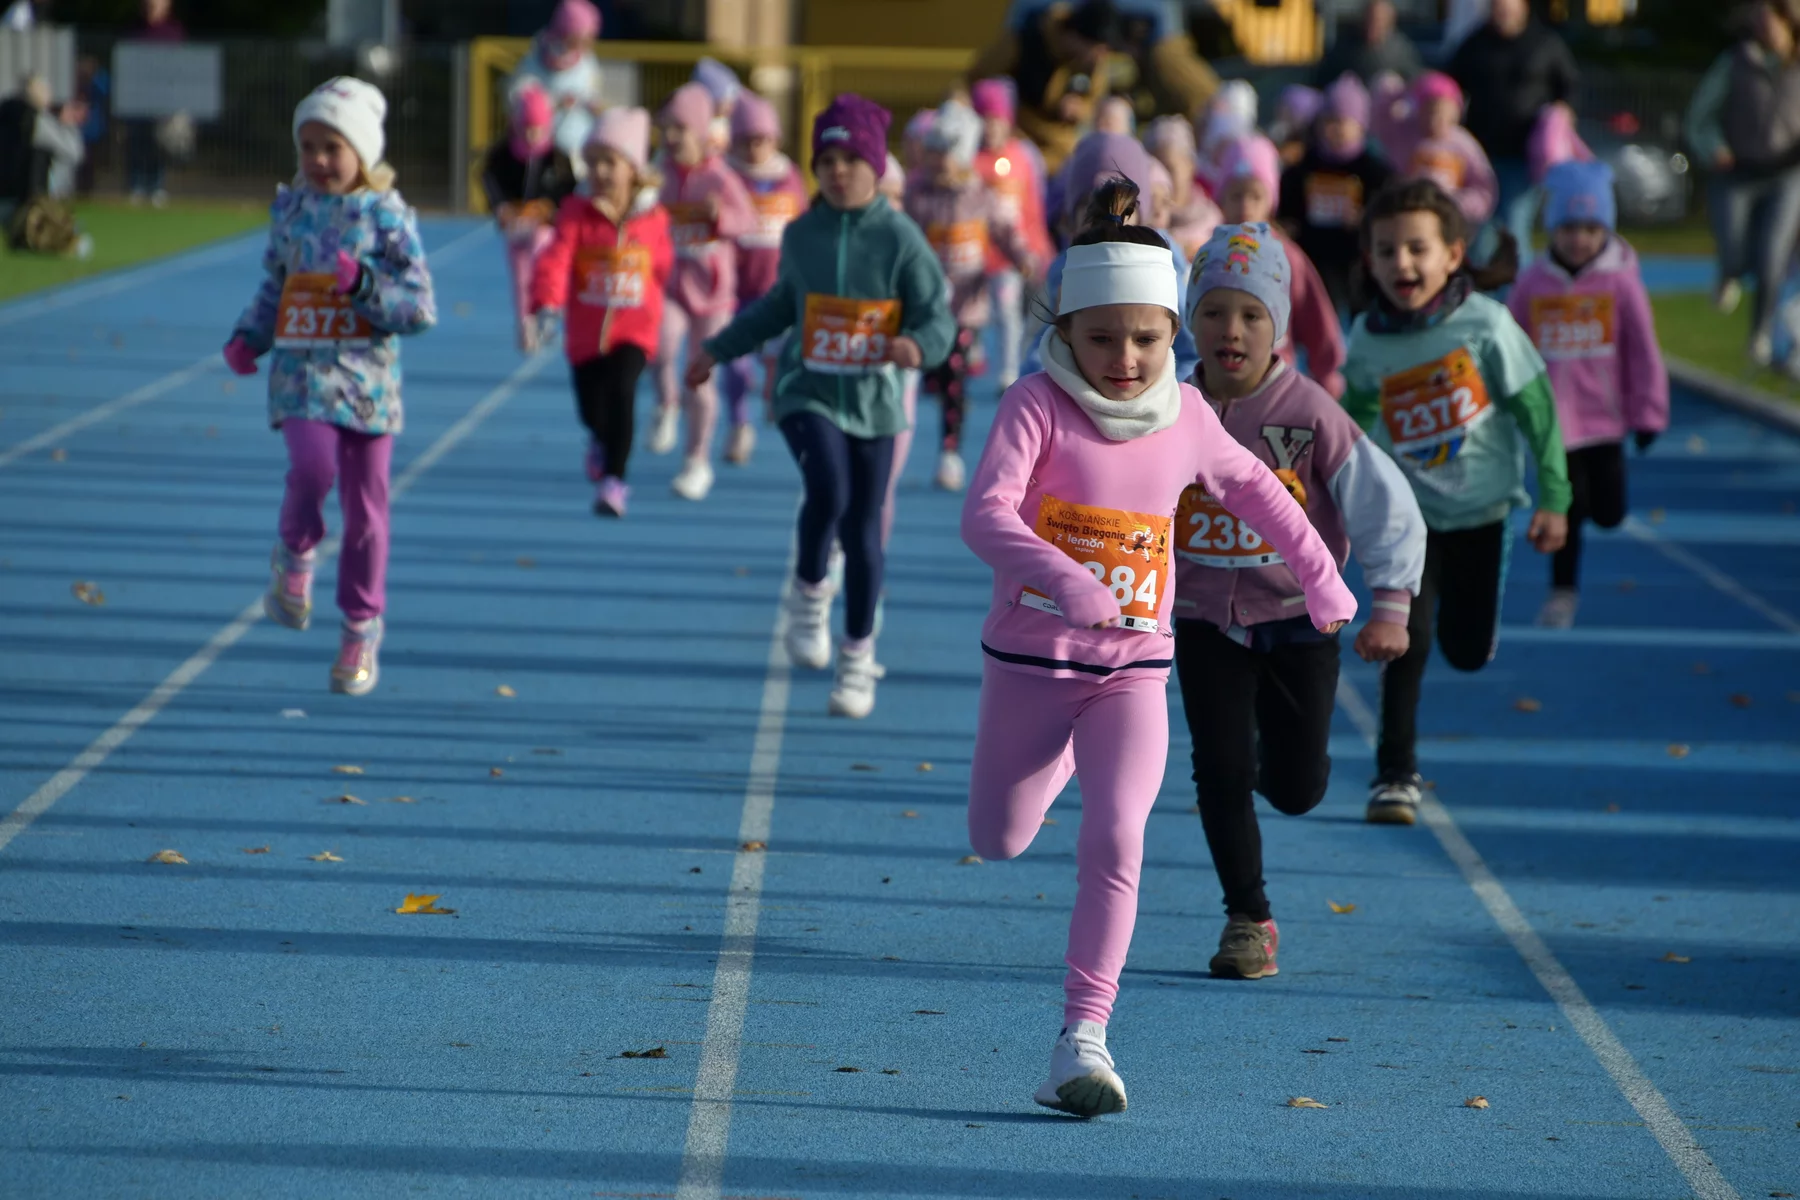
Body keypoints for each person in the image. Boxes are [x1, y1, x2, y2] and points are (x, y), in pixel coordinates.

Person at [960, 181, 1355, 1116]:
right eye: (1102, 338)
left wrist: (1321, 577)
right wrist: (1063, 576)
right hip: (1032, 665)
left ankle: (1082, 1038)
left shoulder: (1187, 415)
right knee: (998, 838)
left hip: (1132, 671)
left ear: (1171, 332)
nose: (1126, 359)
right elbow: (984, 515)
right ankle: (1055, 762)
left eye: (1146, 338)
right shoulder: (1035, 404)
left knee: (1118, 836)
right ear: (1067, 329)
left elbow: (1258, 490)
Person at [1174, 221, 1424, 981]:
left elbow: (1383, 503)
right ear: (1189, 321)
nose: (1232, 330)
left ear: (1278, 325)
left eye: (1252, 314)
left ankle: (1276, 767)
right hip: (1202, 620)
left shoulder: (1310, 412)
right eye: (1214, 311)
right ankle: (1247, 919)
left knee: (1295, 787)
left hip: (1297, 621)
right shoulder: (1169, 407)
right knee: (1219, 769)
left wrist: (1391, 603)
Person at [687, 95, 955, 718]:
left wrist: (918, 345)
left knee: (863, 528)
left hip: (876, 401)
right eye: (825, 161)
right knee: (828, 489)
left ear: (875, 165)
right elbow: (780, 306)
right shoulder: (802, 233)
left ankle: (857, 658)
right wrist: (718, 349)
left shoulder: (900, 239)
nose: (836, 172)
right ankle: (809, 594)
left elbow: (936, 318)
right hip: (807, 390)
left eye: (849, 160)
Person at [1341, 178, 1569, 824]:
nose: (1402, 263)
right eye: (1387, 250)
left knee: (1464, 651)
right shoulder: (1369, 338)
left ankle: (1465, 632)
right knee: (1404, 641)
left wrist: (1555, 496)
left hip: (1481, 513)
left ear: (1452, 255)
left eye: (1417, 248)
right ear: (1370, 260)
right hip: (1406, 520)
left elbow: (1537, 410)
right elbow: (1352, 423)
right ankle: (1394, 774)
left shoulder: (1487, 325)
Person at [222, 78, 436, 696]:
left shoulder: (387, 218)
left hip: (369, 385)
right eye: (308, 146)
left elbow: (419, 308)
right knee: (313, 471)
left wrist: (364, 285)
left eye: (332, 147)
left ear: (362, 153)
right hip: (303, 377)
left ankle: (360, 626)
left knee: (367, 514)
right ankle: (294, 553)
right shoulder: (292, 212)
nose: (317, 159)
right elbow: (276, 284)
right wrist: (250, 336)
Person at [1507, 161, 1667, 629]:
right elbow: (1509, 343)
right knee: (1568, 510)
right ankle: (1562, 593)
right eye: (1569, 228)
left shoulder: (1620, 283)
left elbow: (1643, 351)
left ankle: (1597, 514)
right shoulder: (1532, 282)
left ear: (1607, 231)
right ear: (1553, 229)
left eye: (1591, 229)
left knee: (1610, 513)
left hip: (1606, 420)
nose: (1579, 239)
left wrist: (1648, 414)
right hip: (1554, 424)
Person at [530, 108, 671, 519]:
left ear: (634, 168)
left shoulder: (654, 218)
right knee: (592, 410)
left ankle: (615, 481)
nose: (600, 172)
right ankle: (598, 437)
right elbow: (556, 259)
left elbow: (663, 266)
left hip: (635, 330)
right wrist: (547, 302)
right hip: (586, 335)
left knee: (623, 393)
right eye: (593, 163)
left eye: (610, 162)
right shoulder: (576, 212)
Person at [906, 100, 1040, 493]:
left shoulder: (980, 194)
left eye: (943, 153)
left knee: (954, 378)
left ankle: (949, 452)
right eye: (931, 152)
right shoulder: (918, 195)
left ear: (962, 156)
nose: (935, 161)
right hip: (926, 305)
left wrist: (1022, 257)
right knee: (926, 376)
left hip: (966, 306)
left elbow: (1004, 230)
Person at [649, 82, 755, 501]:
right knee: (659, 348)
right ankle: (666, 406)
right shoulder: (657, 175)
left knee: (699, 377)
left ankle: (697, 461)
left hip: (713, 296)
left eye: (680, 129)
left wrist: (721, 216)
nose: (671, 137)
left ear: (699, 132)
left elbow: (746, 221)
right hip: (670, 286)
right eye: (665, 129)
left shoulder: (720, 177)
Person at [968, 0, 1218, 175]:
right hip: (1022, 146)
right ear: (1074, 37)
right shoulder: (1026, 39)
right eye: (1096, 49)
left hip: (1066, 154)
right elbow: (977, 81)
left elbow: (1095, 99)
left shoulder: (1092, 62)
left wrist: (1084, 109)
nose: (1101, 57)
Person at [1683, 0, 1800, 365]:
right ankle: (1728, 272)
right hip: (1737, 172)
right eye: (1760, 22)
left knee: (1772, 257)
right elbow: (1699, 116)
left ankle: (1760, 334)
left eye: (1773, 22)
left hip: (1786, 175)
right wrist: (1713, 147)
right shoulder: (1735, 62)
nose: (1766, 30)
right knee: (1733, 250)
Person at [1028, 132, 1199, 380]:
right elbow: (1040, 348)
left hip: (1149, 392)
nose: (1108, 219)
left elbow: (1190, 350)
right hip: (1079, 393)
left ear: (1144, 214)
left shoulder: (1160, 262)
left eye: (1124, 208)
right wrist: (1042, 390)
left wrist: (1171, 394)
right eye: (1092, 206)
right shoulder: (1067, 268)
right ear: (1071, 218)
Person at [1216, 135, 1345, 397]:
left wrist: (1327, 374)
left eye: (1256, 196)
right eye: (1236, 195)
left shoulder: (1286, 256)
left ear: (1271, 200)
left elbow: (1315, 315)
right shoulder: (1210, 256)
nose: (1245, 206)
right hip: (1220, 384)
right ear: (1222, 198)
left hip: (1276, 384)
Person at [1449, 0, 1577, 254]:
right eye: (1497, 7)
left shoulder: (1544, 43)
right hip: (1481, 154)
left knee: (1514, 225)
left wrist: (1563, 112)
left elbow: (1570, 86)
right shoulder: (1475, 44)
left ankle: (1519, 280)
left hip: (1524, 154)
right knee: (1480, 234)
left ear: (1523, 7)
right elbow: (1450, 86)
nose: (1502, 13)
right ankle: (1483, 279)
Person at [721, 92, 808, 467]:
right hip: (735, 290)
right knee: (735, 365)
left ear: (775, 139)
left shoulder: (789, 177)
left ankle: (775, 387)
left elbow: (804, 222)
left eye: (762, 140)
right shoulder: (727, 176)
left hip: (778, 291)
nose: (755, 149)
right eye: (746, 140)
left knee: (781, 355)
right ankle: (740, 424)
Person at [1280, 73, 1392, 319]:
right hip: (1315, 252)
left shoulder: (1373, 170)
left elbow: (1389, 207)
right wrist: (1291, 223)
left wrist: (1365, 217)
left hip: (1358, 258)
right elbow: (1288, 204)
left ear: (1360, 125)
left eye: (1343, 122)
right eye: (1329, 121)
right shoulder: (1305, 166)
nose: (1336, 129)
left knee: (1360, 313)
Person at [482, 81, 578, 352]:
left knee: (541, 255)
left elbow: (568, 189)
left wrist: (551, 208)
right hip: (516, 227)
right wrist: (501, 207)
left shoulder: (556, 157)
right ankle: (525, 323)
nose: (532, 135)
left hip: (544, 228)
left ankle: (545, 310)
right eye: (527, 129)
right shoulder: (504, 154)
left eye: (537, 129)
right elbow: (491, 181)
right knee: (520, 276)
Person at [973, 77, 1054, 391]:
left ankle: (1008, 371)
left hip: (1009, 253)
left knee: (1007, 311)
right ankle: (970, 354)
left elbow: (1031, 205)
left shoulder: (1020, 157)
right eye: (984, 120)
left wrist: (1037, 244)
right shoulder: (970, 160)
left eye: (996, 120)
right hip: (974, 251)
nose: (990, 128)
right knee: (974, 311)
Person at [1393, 72, 1498, 226]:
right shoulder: (1408, 136)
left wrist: (1460, 205)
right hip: (1410, 214)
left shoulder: (1463, 144)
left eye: (1442, 113)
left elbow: (1483, 186)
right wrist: (1404, 91)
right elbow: (1381, 115)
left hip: (1449, 218)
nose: (1435, 120)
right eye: (1429, 112)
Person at [509, 0, 605, 163]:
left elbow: (592, 92)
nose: (586, 44)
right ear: (566, 31)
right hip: (543, 149)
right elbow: (520, 99)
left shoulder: (587, 61)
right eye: (580, 37)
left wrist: (595, 106)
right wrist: (553, 105)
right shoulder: (536, 61)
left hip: (580, 146)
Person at [124, 0, 184, 207]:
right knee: (137, 141)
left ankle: (156, 185)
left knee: (159, 143)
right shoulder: (134, 30)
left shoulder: (174, 32)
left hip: (162, 98)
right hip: (137, 97)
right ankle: (136, 185)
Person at [1143, 114, 1222, 259]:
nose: (1162, 178)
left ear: (1190, 166)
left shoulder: (1212, 224)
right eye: (1155, 168)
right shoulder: (1139, 221)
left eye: (1169, 168)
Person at [1314, 0, 1422, 88]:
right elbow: (1324, 77)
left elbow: (1415, 79)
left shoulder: (1401, 50)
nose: (1373, 25)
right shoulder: (1345, 46)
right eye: (1370, 19)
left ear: (1390, 22)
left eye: (1379, 20)